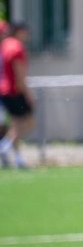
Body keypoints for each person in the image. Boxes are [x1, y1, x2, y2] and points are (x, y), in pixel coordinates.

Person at [0, 22, 35, 169]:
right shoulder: (16, 46)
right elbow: (19, 74)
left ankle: (18, 159)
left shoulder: (4, 46)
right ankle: (4, 146)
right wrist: (28, 94)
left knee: (15, 125)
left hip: (3, 90)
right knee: (28, 122)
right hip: (13, 91)